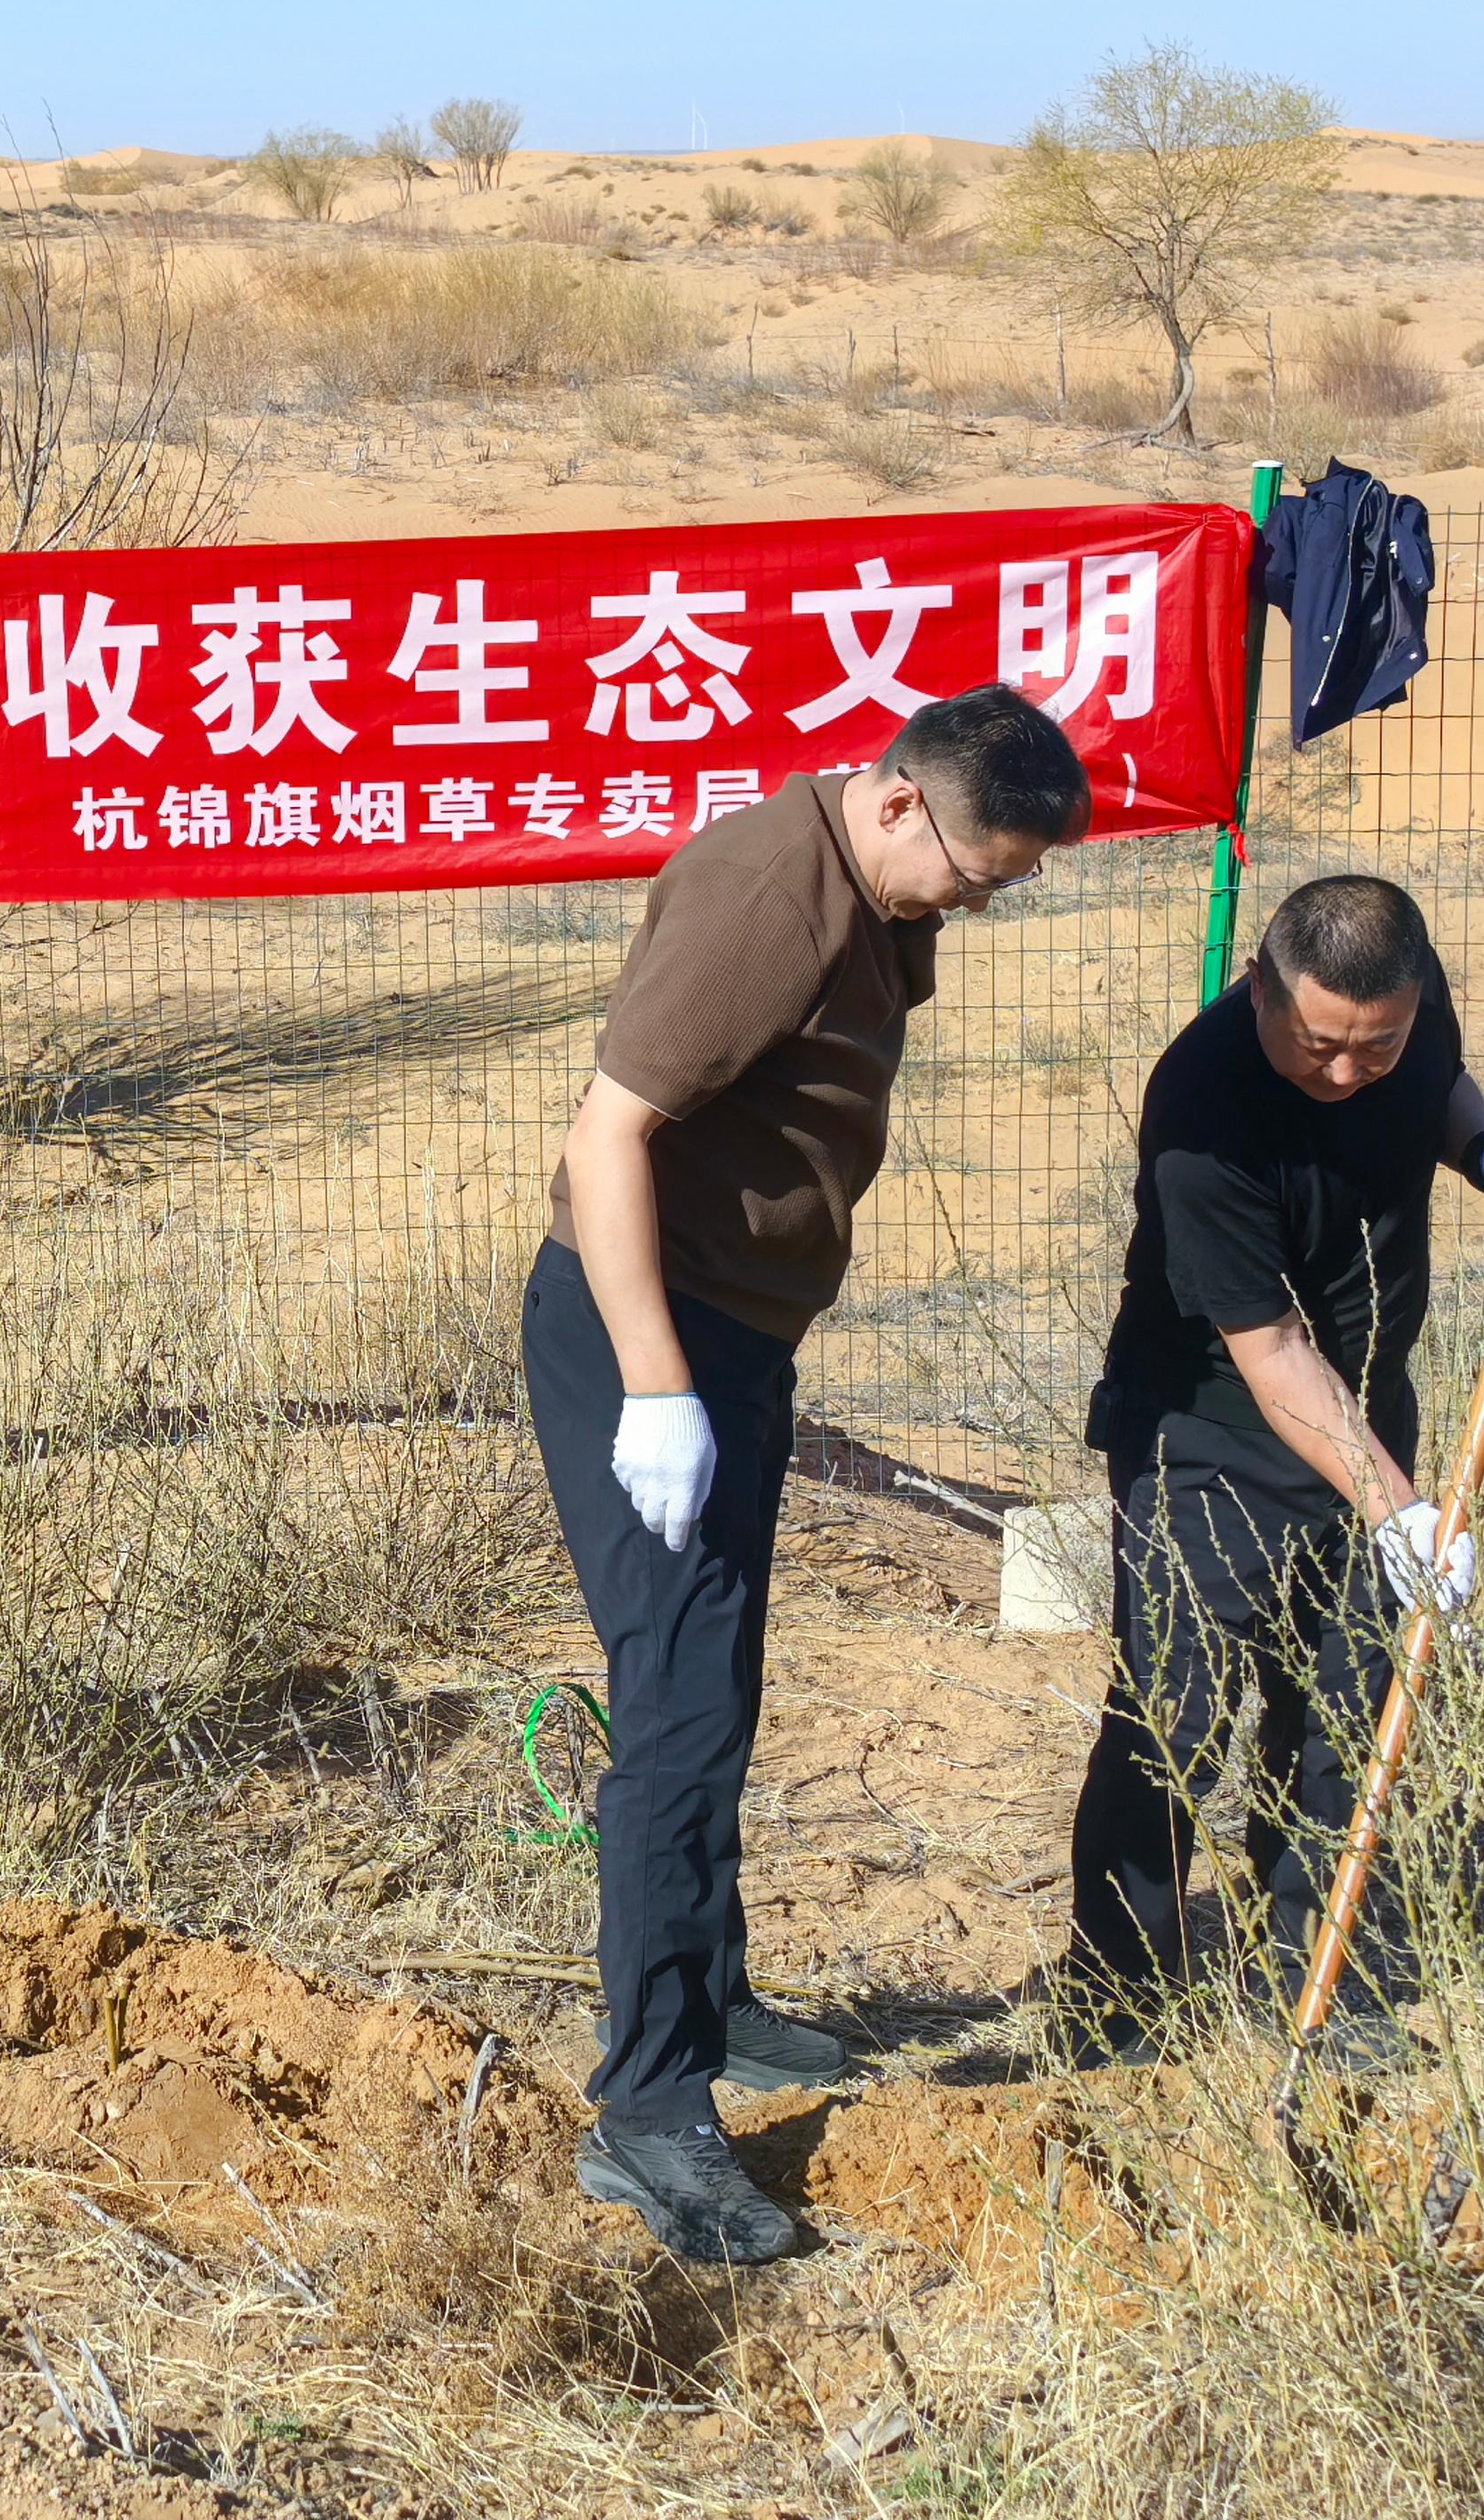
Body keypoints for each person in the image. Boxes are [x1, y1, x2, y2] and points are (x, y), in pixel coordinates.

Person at [526, 688, 1093, 2265]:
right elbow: (607, 1137)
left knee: (716, 1685)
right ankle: (650, 2106)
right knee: (676, 1715)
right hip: (648, 1336)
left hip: (732, 1337)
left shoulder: (870, 883)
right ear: (898, 801)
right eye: (972, 876)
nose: (973, 906)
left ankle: (710, 2000)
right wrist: (657, 1387)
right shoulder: (766, 900)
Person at [1057, 876, 1484, 2061]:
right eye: (1318, 1045)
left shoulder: (1400, 1001)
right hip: (1205, 1434)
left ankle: (1316, 1978)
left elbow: (1438, 1080)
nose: (1347, 1071)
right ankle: (1119, 2003)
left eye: (1375, 1047)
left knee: (1343, 1708)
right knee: (1172, 1721)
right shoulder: (1203, 1108)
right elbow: (1273, 1352)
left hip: (1366, 1413)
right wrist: (1400, 1509)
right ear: (1260, 987)